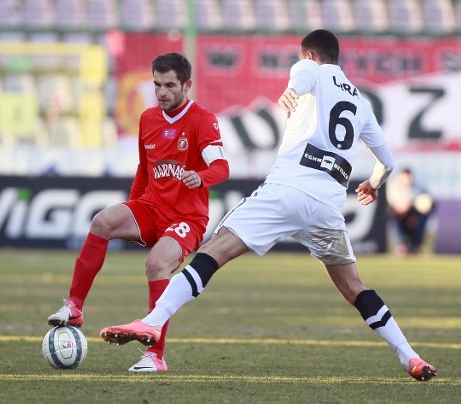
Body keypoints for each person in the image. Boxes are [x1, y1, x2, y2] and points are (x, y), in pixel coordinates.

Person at [100, 30, 437, 382]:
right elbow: (387, 160)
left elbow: (304, 75)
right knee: (355, 288)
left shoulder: (309, 71)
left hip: (287, 188)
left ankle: (152, 323)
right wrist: (374, 183)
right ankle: (409, 356)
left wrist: (294, 89)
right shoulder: (362, 103)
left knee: (214, 251)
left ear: (308, 55)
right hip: (327, 205)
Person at [47, 52, 230, 372]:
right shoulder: (148, 118)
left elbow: (222, 167)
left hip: (187, 218)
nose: (162, 92)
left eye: (170, 85)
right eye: (157, 84)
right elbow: (144, 171)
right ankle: (75, 306)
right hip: (150, 207)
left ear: (187, 85)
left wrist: (201, 176)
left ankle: (155, 357)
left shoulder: (202, 119)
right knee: (102, 221)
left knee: (156, 264)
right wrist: (132, 208)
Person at [386, 168, 434, 255]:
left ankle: (416, 245)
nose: (408, 181)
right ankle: (400, 245)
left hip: (414, 214)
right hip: (398, 214)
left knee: (421, 218)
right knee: (395, 219)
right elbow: (393, 205)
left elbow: (426, 202)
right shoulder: (393, 186)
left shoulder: (419, 186)